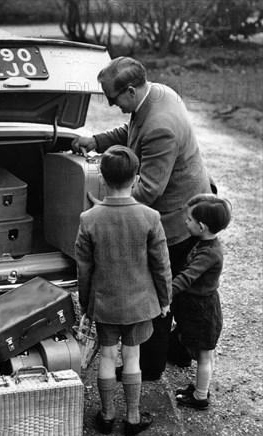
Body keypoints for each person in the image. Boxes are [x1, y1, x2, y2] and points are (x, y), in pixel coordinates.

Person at [71, 56, 213, 380]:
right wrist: (97, 141)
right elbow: (132, 131)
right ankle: (180, 350)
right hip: (182, 203)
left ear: (131, 90)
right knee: (177, 288)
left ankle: (149, 366)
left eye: (113, 98)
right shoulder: (155, 95)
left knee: (159, 289)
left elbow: (148, 189)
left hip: (177, 217)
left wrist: (107, 206)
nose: (111, 105)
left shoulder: (161, 125)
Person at [75, 145, 172, 436]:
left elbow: (84, 268)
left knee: (106, 356)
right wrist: (165, 300)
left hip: (104, 304)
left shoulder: (89, 219)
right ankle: (132, 417)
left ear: (102, 178)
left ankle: (106, 416)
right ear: (137, 178)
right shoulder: (150, 217)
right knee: (132, 357)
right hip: (138, 304)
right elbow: (161, 265)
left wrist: (85, 303)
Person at [173, 195, 232, 410]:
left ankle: (200, 397)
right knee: (204, 352)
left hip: (202, 310)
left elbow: (187, 277)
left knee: (204, 355)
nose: (185, 222)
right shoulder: (205, 242)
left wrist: (164, 293)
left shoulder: (209, 253)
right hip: (200, 306)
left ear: (201, 226)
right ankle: (201, 388)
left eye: (188, 219)